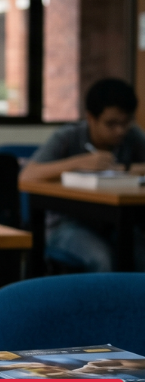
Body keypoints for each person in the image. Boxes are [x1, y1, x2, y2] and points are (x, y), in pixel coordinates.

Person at [20, 78, 145, 271]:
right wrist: (79, 163)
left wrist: (123, 168)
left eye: (126, 122)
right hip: (66, 224)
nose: (120, 130)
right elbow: (26, 176)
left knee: (139, 253)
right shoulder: (68, 136)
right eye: (111, 124)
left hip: (116, 223)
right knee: (102, 258)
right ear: (91, 118)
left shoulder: (132, 137)